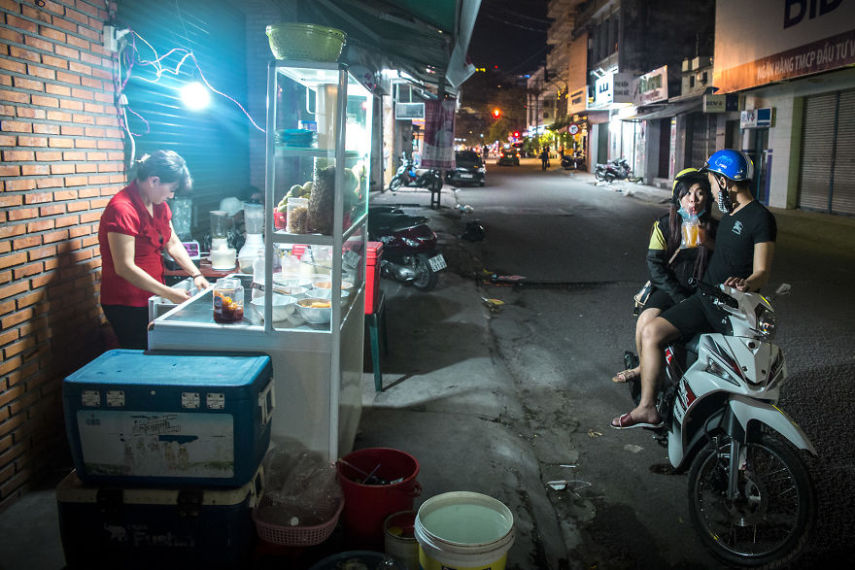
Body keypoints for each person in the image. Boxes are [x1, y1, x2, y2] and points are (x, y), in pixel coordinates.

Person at [611, 150, 776, 429]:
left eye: (710, 182)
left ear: (723, 182)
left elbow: (762, 271)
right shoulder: (729, 214)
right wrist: (706, 243)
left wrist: (747, 282)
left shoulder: (760, 218)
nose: (708, 190)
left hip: (730, 306)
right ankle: (647, 407)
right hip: (705, 298)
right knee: (651, 330)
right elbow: (724, 253)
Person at [612, 168, 717, 384]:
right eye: (687, 194)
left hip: (701, 290)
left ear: (708, 197)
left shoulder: (716, 228)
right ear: (678, 197)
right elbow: (655, 264)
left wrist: (709, 243)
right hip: (671, 287)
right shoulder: (664, 225)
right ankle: (643, 367)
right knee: (645, 319)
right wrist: (677, 295)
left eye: (700, 193)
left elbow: (724, 262)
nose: (693, 200)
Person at [99, 150, 210, 349]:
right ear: (154, 181)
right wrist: (168, 293)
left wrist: (196, 274)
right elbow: (124, 267)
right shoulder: (122, 208)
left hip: (152, 295)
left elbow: (173, 243)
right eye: (171, 188)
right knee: (138, 352)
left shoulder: (159, 206)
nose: (172, 195)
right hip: (126, 301)